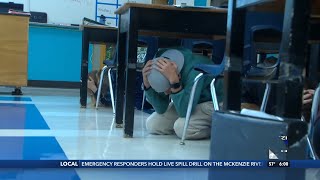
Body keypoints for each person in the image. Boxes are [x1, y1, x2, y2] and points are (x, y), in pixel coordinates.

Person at [142, 48, 224, 140]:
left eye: (167, 88)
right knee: (153, 124)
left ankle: (216, 129)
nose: (165, 93)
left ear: (179, 76)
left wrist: (175, 83)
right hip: (188, 101)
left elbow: (184, 111)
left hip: (212, 102)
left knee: (181, 128)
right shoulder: (164, 64)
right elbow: (161, 109)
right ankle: (195, 124)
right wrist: (147, 85)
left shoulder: (195, 69)